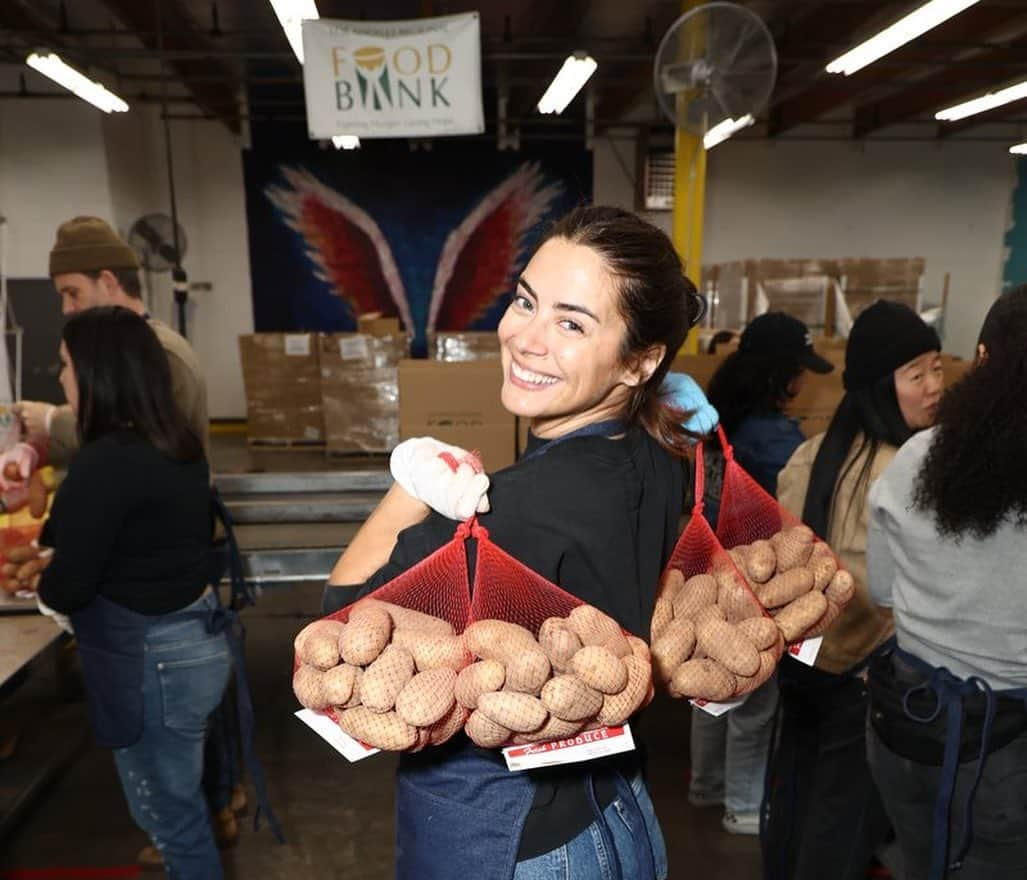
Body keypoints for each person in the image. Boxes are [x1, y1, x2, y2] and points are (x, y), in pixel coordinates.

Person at [325, 205, 705, 880]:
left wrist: (409, 485)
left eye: (570, 323)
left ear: (638, 361)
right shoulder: (651, 455)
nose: (525, 337)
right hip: (614, 812)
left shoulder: (513, 513)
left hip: (512, 841)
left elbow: (341, 627)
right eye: (525, 301)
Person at [8, 216, 240, 867]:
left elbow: (73, 584)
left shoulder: (104, 464)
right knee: (183, 797)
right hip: (196, 646)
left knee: (169, 816)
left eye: (65, 369)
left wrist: (49, 580)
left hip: (151, 667)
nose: (60, 381)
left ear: (99, 374)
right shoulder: (176, 446)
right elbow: (142, 542)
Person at [764, 300, 944, 880]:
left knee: (793, 798)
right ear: (877, 387)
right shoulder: (914, 470)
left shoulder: (812, 454)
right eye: (917, 374)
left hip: (801, 664)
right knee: (843, 826)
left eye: (937, 368)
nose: (935, 386)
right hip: (868, 678)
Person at [866, 287, 1027, 880]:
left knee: (919, 856)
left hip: (907, 725)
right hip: (1007, 751)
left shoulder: (915, 459)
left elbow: (882, 589)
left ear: (982, 357)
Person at [688, 312, 833, 835]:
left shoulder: (718, 420)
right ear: (780, 374)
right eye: (799, 369)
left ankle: (705, 785)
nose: (802, 381)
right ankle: (744, 806)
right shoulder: (774, 438)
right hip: (755, 576)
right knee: (754, 695)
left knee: (712, 688)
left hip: (710, 572)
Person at [13, 216, 208, 463]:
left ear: (107, 282)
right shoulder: (119, 351)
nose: (66, 309)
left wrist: (52, 420)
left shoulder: (161, 352)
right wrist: (33, 448)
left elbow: (135, 437)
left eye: (73, 293)